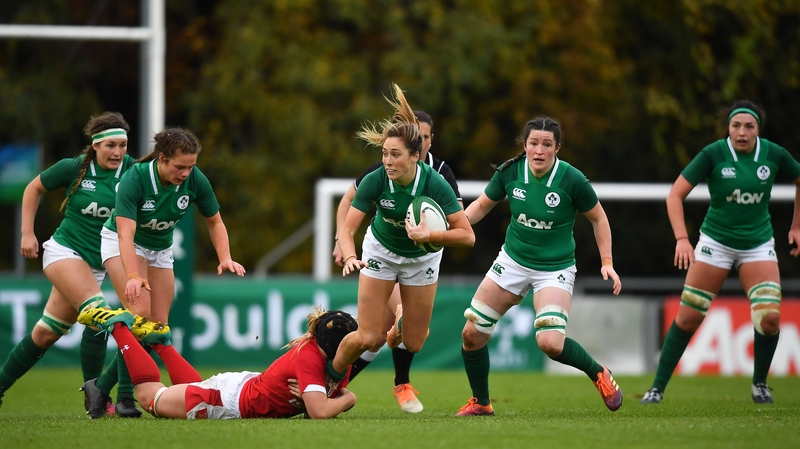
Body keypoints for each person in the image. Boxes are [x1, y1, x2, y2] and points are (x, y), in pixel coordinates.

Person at [455, 116, 623, 416]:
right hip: (512, 261)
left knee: (550, 343)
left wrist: (607, 262)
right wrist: (456, 225)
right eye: (534, 143)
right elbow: (481, 205)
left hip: (554, 268)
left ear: (557, 148)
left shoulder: (572, 179)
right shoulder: (510, 171)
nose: (539, 150)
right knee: (471, 334)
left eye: (547, 144)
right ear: (525, 145)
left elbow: (598, 217)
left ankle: (598, 372)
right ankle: (481, 402)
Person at [640, 100, 800, 405]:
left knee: (769, 318)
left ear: (758, 129)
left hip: (757, 246)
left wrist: (796, 226)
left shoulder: (774, 154)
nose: (742, 132)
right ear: (728, 128)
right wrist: (682, 239)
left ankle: (760, 385)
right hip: (716, 244)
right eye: (736, 125)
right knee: (688, 317)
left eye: (749, 126)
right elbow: (675, 195)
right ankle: (657, 389)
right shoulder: (713, 154)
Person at [81, 126, 246, 418]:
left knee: (157, 325)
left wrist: (225, 257)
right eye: (179, 167)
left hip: (160, 250)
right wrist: (133, 275)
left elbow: (215, 221)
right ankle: (126, 398)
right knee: (139, 315)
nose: (185, 173)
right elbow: (125, 233)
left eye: (190, 167)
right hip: (124, 245)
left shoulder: (195, 179)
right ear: (161, 158)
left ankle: (101, 386)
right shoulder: (137, 178)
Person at [328, 84, 475, 389]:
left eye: (395, 155)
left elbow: (467, 236)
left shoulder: (436, 182)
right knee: (369, 336)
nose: (388, 161)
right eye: (384, 154)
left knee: (416, 341)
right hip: (380, 252)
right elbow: (348, 228)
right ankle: (325, 380)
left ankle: (399, 335)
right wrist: (351, 255)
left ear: (415, 157)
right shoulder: (377, 179)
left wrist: (430, 235)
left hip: (422, 259)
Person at [0, 112, 139, 416]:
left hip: (97, 266)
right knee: (102, 316)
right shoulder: (75, 167)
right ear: (95, 145)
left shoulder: (133, 172)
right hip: (64, 253)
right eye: (111, 145)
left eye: (123, 145)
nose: (117, 152)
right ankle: (98, 397)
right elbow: (32, 189)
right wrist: (27, 233)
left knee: (47, 333)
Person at [77, 306, 358, 419]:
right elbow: (320, 412)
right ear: (338, 346)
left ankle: (161, 344)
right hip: (231, 402)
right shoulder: (310, 358)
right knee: (149, 397)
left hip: (243, 388)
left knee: (192, 386)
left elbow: (319, 405)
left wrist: (325, 398)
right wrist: (349, 399)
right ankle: (119, 327)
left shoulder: (334, 360)